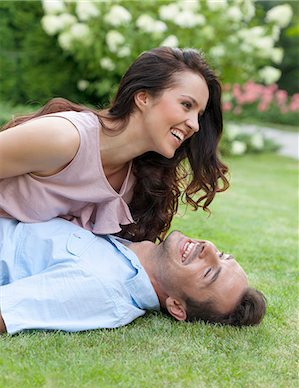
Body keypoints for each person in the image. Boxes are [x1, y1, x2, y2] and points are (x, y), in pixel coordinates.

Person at [0, 47, 228, 242]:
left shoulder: (135, 181)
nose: (195, 125)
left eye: (199, 114)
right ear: (143, 98)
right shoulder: (65, 137)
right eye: (186, 105)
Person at [0, 217, 266, 335]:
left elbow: (6, 310)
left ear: (176, 306)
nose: (208, 248)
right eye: (222, 255)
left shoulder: (104, 288)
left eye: (209, 272)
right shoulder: (132, 240)